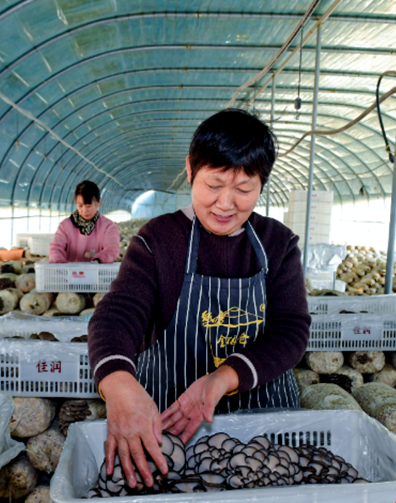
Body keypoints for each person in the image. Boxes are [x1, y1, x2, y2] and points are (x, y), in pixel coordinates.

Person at [88, 109, 310, 489]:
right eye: (214, 184)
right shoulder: (158, 240)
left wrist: (223, 378)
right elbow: (119, 314)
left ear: (262, 185)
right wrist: (119, 385)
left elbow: (290, 330)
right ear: (190, 170)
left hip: (262, 426)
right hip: (170, 428)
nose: (226, 204)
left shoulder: (278, 243)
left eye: (243, 190)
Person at [49, 181, 121, 264]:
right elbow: (56, 247)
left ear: (98, 203)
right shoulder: (65, 226)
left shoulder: (108, 226)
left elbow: (112, 248)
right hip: (70, 273)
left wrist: (99, 260)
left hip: (97, 273)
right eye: (80, 205)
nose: (84, 210)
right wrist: (59, 263)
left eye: (88, 206)